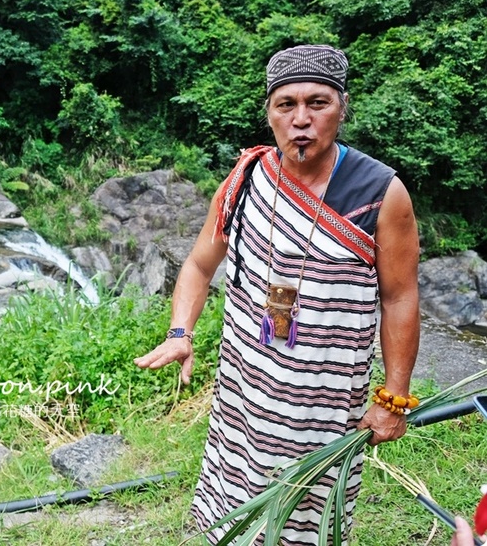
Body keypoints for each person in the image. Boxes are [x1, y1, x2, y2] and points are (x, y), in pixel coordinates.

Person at [134, 44, 421, 544]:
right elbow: (201, 264)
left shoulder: (379, 193)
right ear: (269, 114)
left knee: (305, 513)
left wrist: (393, 399)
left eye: (318, 103)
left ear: (342, 108)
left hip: (322, 403)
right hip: (244, 387)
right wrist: (180, 332)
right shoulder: (247, 178)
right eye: (286, 105)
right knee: (236, 495)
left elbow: (400, 297)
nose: (301, 119)